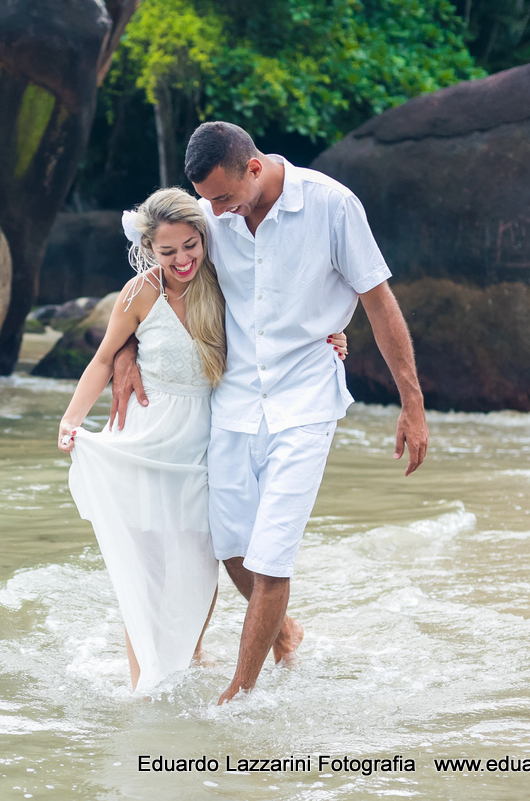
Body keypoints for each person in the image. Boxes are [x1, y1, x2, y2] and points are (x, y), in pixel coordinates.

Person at [110, 122, 429, 704]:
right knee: (231, 546)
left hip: (305, 403)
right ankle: (285, 634)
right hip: (233, 402)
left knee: (272, 556)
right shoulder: (214, 215)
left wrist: (412, 401)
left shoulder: (332, 206)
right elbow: (164, 280)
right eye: (206, 200)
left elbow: (378, 301)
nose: (214, 210)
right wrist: (124, 353)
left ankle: (239, 694)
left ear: (254, 168)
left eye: (223, 198)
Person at [57, 187, 348, 694]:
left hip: (206, 437)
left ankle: (210, 644)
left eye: (190, 246)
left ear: (203, 239)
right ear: (149, 249)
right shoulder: (139, 292)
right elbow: (104, 357)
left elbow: (280, 322)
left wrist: (329, 338)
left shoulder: (226, 284)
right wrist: (72, 418)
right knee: (144, 562)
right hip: (144, 439)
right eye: (167, 252)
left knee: (201, 555)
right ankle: (142, 682)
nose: (182, 259)